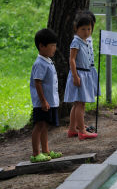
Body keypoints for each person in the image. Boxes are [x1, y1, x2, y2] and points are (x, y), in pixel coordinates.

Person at [30, 28, 62, 162]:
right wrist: (43, 101)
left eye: (55, 45)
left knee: (44, 126)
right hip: (42, 103)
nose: (54, 48)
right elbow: (37, 83)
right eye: (52, 46)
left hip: (48, 101)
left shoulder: (47, 60)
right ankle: (36, 153)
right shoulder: (40, 63)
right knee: (39, 126)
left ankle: (46, 151)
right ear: (41, 46)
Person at [64, 10, 98, 140]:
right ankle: (82, 131)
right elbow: (72, 59)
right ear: (76, 29)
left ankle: (72, 129)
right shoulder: (76, 42)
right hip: (79, 74)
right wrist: (75, 76)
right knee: (80, 104)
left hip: (85, 73)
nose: (86, 32)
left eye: (89, 29)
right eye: (83, 29)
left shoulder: (87, 40)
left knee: (77, 103)